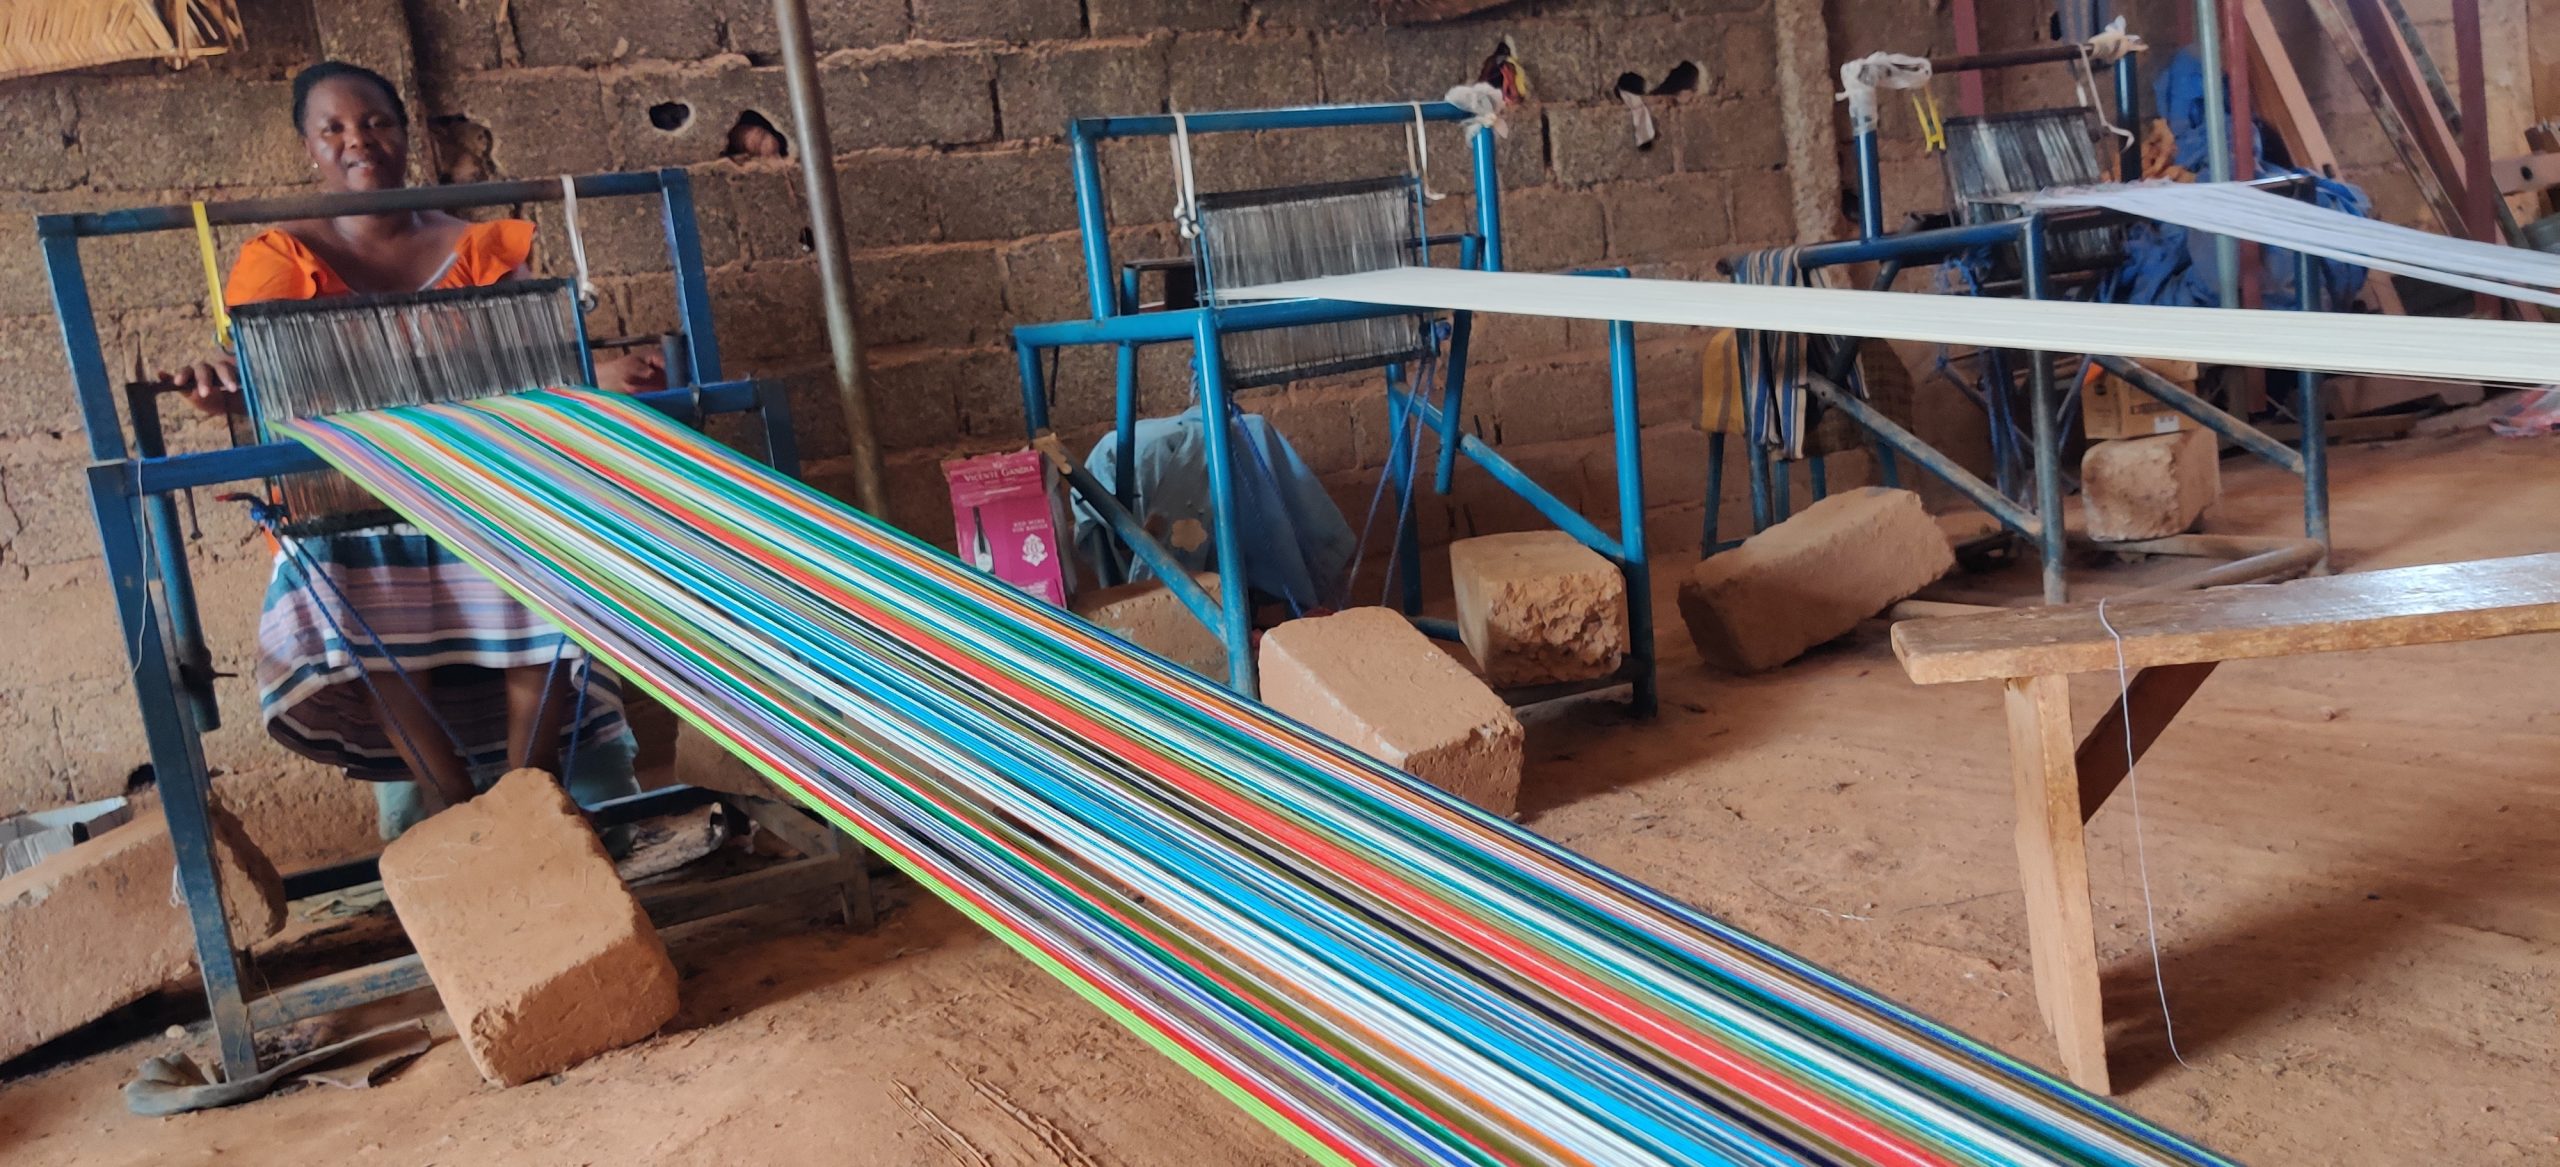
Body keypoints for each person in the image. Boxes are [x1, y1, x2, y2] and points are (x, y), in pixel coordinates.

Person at [163, 61, 666, 838]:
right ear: (310, 148)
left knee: (556, 549)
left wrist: (599, 371)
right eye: (334, 129)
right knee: (343, 565)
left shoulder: (477, 246)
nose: (359, 140)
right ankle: (449, 806)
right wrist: (220, 389)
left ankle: (526, 799)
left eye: (376, 123)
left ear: (406, 134)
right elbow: (258, 383)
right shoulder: (279, 259)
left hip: (482, 483)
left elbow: (530, 357)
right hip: (355, 498)